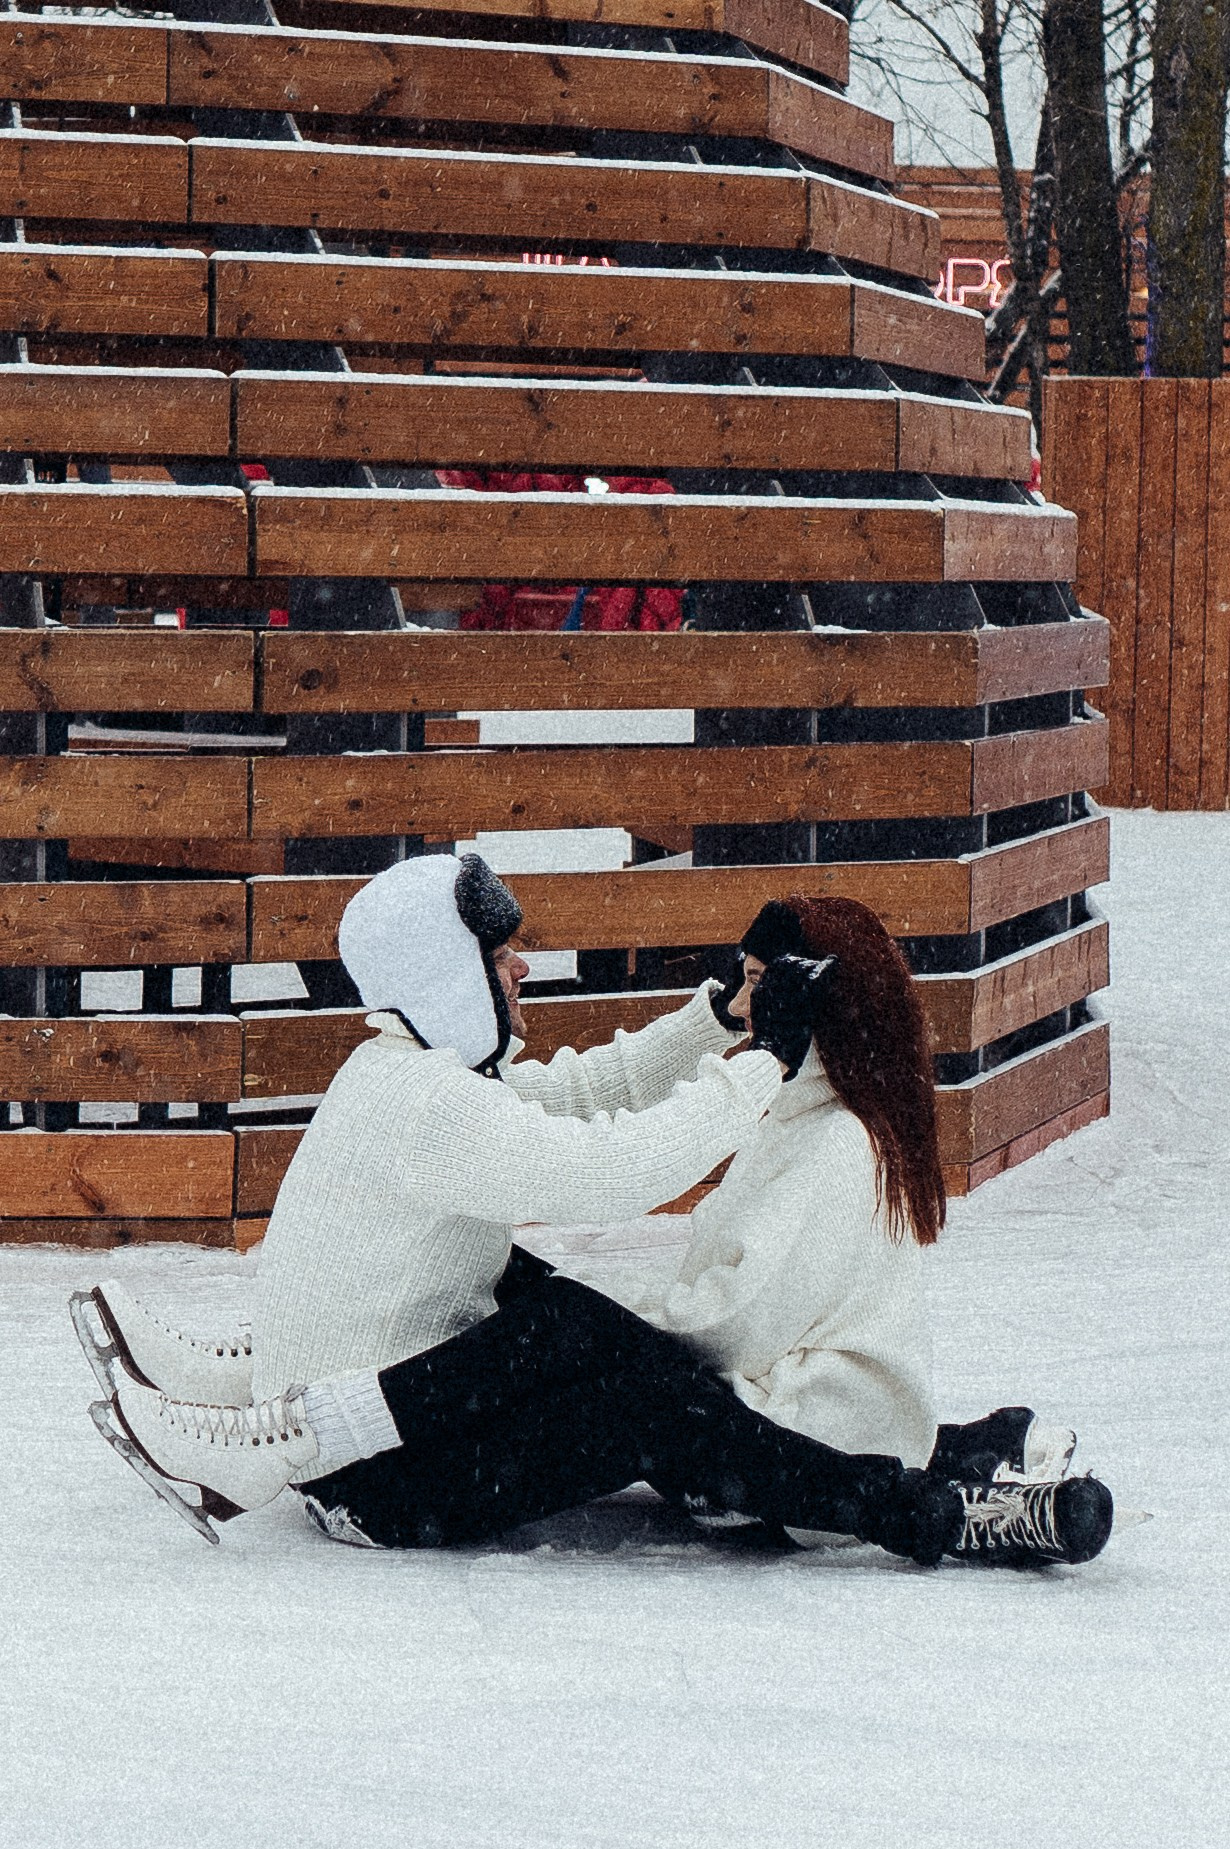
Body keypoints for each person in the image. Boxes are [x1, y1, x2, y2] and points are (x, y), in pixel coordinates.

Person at [77, 859, 1113, 1570]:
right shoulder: (433, 1105)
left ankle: (253, 1391)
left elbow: (582, 1094)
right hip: (380, 1488)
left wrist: (707, 1021)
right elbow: (613, 1170)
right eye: (499, 956)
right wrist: (760, 1065)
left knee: (567, 1317)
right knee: (616, 1366)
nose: (521, 969)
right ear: (450, 975)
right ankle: (921, 1510)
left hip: (384, 1439)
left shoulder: (401, 1072)